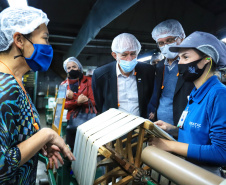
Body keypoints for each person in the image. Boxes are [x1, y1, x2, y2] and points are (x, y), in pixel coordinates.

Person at [0, 6, 75, 184]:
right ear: (19, 39)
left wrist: (35, 144)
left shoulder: (16, 81)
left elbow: (14, 139)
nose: (48, 47)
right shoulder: (4, 89)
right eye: (45, 39)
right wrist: (46, 135)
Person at [149, 31, 226, 176]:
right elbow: (200, 135)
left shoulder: (219, 94)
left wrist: (170, 145)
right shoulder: (196, 93)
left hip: (204, 175)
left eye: (185, 57)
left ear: (206, 60)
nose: (180, 63)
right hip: (187, 169)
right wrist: (171, 129)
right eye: (179, 58)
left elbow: (222, 152)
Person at [92, 33, 155, 118]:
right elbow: (99, 102)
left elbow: (151, 96)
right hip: (113, 124)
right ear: (115, 55)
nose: (129, 59)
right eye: (124, 55)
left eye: (133, 54)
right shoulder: (101, 74)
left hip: (140, 124)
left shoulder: (148, 71)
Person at [148, 19, 194, 126]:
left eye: (169, 40)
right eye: (161, 43)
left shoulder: (191, 64)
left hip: (184, 124)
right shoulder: (160, 66)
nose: (165, 45)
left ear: (181, 38)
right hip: (161, 123)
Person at [61, 57, 96, 150]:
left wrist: (74, 97)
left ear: (79, 68)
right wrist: (77, 102)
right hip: (71, 120)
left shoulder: (90, 81)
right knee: (71, 145)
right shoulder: (64, 85)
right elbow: (63, 105)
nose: (71, 69)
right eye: (69, 68)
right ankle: (70, 164)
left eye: (74, 66)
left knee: (86, 147)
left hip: (88, 118)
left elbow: (93, 101)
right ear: (66, 70)